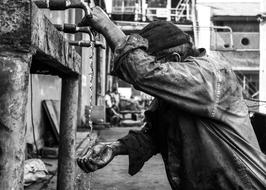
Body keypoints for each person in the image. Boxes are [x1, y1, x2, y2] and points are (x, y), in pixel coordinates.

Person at [77, 7, 266, 189]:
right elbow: (156, 134)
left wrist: (107, 26)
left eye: (153, 62)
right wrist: (116, 147)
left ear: (174, 60)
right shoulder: (177, 91)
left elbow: (142, 72)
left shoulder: (208, 76)